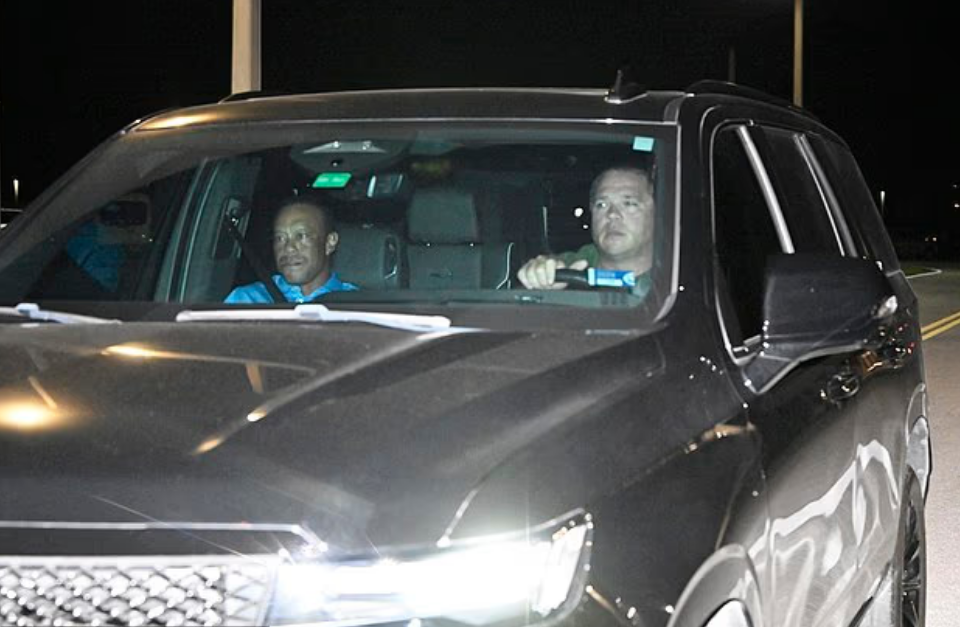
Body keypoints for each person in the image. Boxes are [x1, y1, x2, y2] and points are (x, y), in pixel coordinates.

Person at [517, 166, 655, 292]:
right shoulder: (565, 268)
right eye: (601, 205)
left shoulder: (667, 282)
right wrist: (539, 281)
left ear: (658, 214)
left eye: (629, 203)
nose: (612, 214)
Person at [225, 197, 357, 303]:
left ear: (329, 242)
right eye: (280, 238)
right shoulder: (247, 300)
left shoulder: (355, 305)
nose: (288, 248)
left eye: (301, 236)